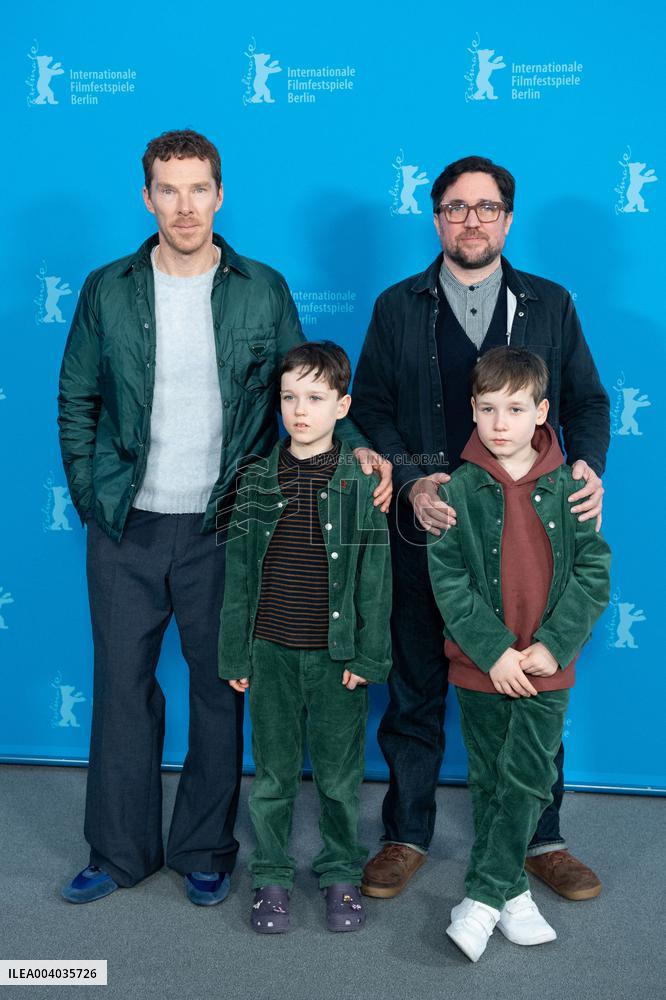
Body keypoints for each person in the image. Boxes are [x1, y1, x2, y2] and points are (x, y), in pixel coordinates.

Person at [57, 130, 391, 906]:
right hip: (127, 526)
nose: (184, 205)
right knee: (120, 688)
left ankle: (206, 847)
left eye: (198, 188)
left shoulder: (260, 288)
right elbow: (77, 399)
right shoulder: (105, 288)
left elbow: (309, 390)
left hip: (226, 527)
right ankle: (117, 851)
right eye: (168, 190)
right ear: (147, 197)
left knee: (220, 688)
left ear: (219, 194)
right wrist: (91, 496)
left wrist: (363, 449)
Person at [352, 155, 610, 901]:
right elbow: (367, 407)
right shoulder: (397, 306)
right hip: (425, 529)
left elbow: (587, 404)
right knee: (415, 689)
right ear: (436, 218)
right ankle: (406, 832)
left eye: (487, 207)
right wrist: (409, 478)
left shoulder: (551, 304)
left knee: (534, 681)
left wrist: (586, 467)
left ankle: (542, 838)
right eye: (457, 207)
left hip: (529, 540)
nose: (472, 220)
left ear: (508, 218)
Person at [427, 347, 610, 961]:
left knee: (530, 776)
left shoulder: (571, 487)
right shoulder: (458, 489)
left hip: (547, 668)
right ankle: (512, 895)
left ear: (541, 412)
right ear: (472, 412)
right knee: (489, 780)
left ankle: (480, 896)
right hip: (482, 666)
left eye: (514, 408)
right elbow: (448, 580)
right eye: (487, 409)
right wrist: (495, 653)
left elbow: (593, 575)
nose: (500, 423)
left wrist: (552, 648)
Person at [219, 342, 392, 933]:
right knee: (271, 775)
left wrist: (370, 654)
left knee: (341, 777)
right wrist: (235, 652)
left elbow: (375, 577)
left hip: (336, 657)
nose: (300, 410)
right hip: (269, 652)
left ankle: (341, 870)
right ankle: (270, 875)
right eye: (290, 397)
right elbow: (240, 573)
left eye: (315, 398)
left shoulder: (360, 481)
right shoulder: (254, 480)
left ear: (342, 406)